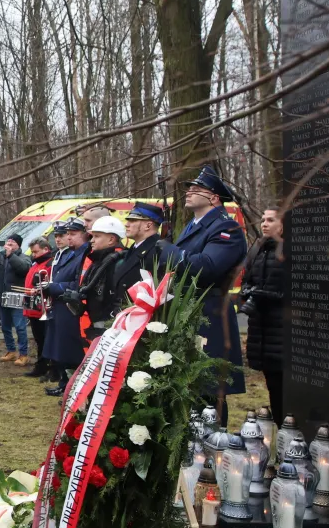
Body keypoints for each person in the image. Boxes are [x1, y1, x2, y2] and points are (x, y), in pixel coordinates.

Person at [175, 166, 248, 421]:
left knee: (208, 388)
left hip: (210, 312)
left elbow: (207, 267)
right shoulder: (192, 226)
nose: (189, 192)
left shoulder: (226, 228)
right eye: (189, 188)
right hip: (189, 311)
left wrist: (171, 254)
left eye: (198, 189)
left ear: (214, 198)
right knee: (189, 386)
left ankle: (213, 446)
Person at [242, 207, 286, 417]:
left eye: (271, 220)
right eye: (263, 220)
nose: (264, 224)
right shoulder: (258, 249)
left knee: (284, 389)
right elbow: (247, 280)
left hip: (282, 332)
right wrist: (248, 292)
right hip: (262, 331)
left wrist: (269, 295)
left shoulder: (289, 251)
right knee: (274, 389)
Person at [40, 218, 89, 396]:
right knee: (61, 349)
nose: (68, 238)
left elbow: (79, 282)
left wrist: (54, 287)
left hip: (70, 306)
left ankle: (70, 386)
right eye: (65, 234)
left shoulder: (82, 254)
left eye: (72, 234)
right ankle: (65, 383)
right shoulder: (69, 254)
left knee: (71, 351)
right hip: (60, 305)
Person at [73, 217, 128, 341]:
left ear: (111, 239)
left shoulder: (118, 263)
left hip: (109, 332)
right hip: (96, 328)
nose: (91, 241)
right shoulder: (100, 260)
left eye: (97, 236)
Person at [0, 233, 31, 365]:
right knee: (5, 326)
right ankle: (11, 351)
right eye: (8, 242)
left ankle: (23, 354)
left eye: (12, 242)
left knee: (20, 327)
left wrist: (11, 256)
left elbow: (23, 269)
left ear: (18, 245)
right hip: (2, 297)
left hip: (17, 298)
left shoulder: (24, 257)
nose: (9, 244)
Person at [120, 203, 181, 279]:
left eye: (132, 220)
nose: (127, 224)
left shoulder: (158, 251)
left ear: (148, 226)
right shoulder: (136, 247)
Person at [21, 237, 54, 378]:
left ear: (46, 249)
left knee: (45, 340)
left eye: (36, 252)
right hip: (33, 309)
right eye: (32, 252)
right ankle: (41, 366)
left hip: (43, 308)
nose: (33, 255)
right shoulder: (35, 264)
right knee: (39, 340)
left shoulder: (49, 264)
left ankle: (46, 366)